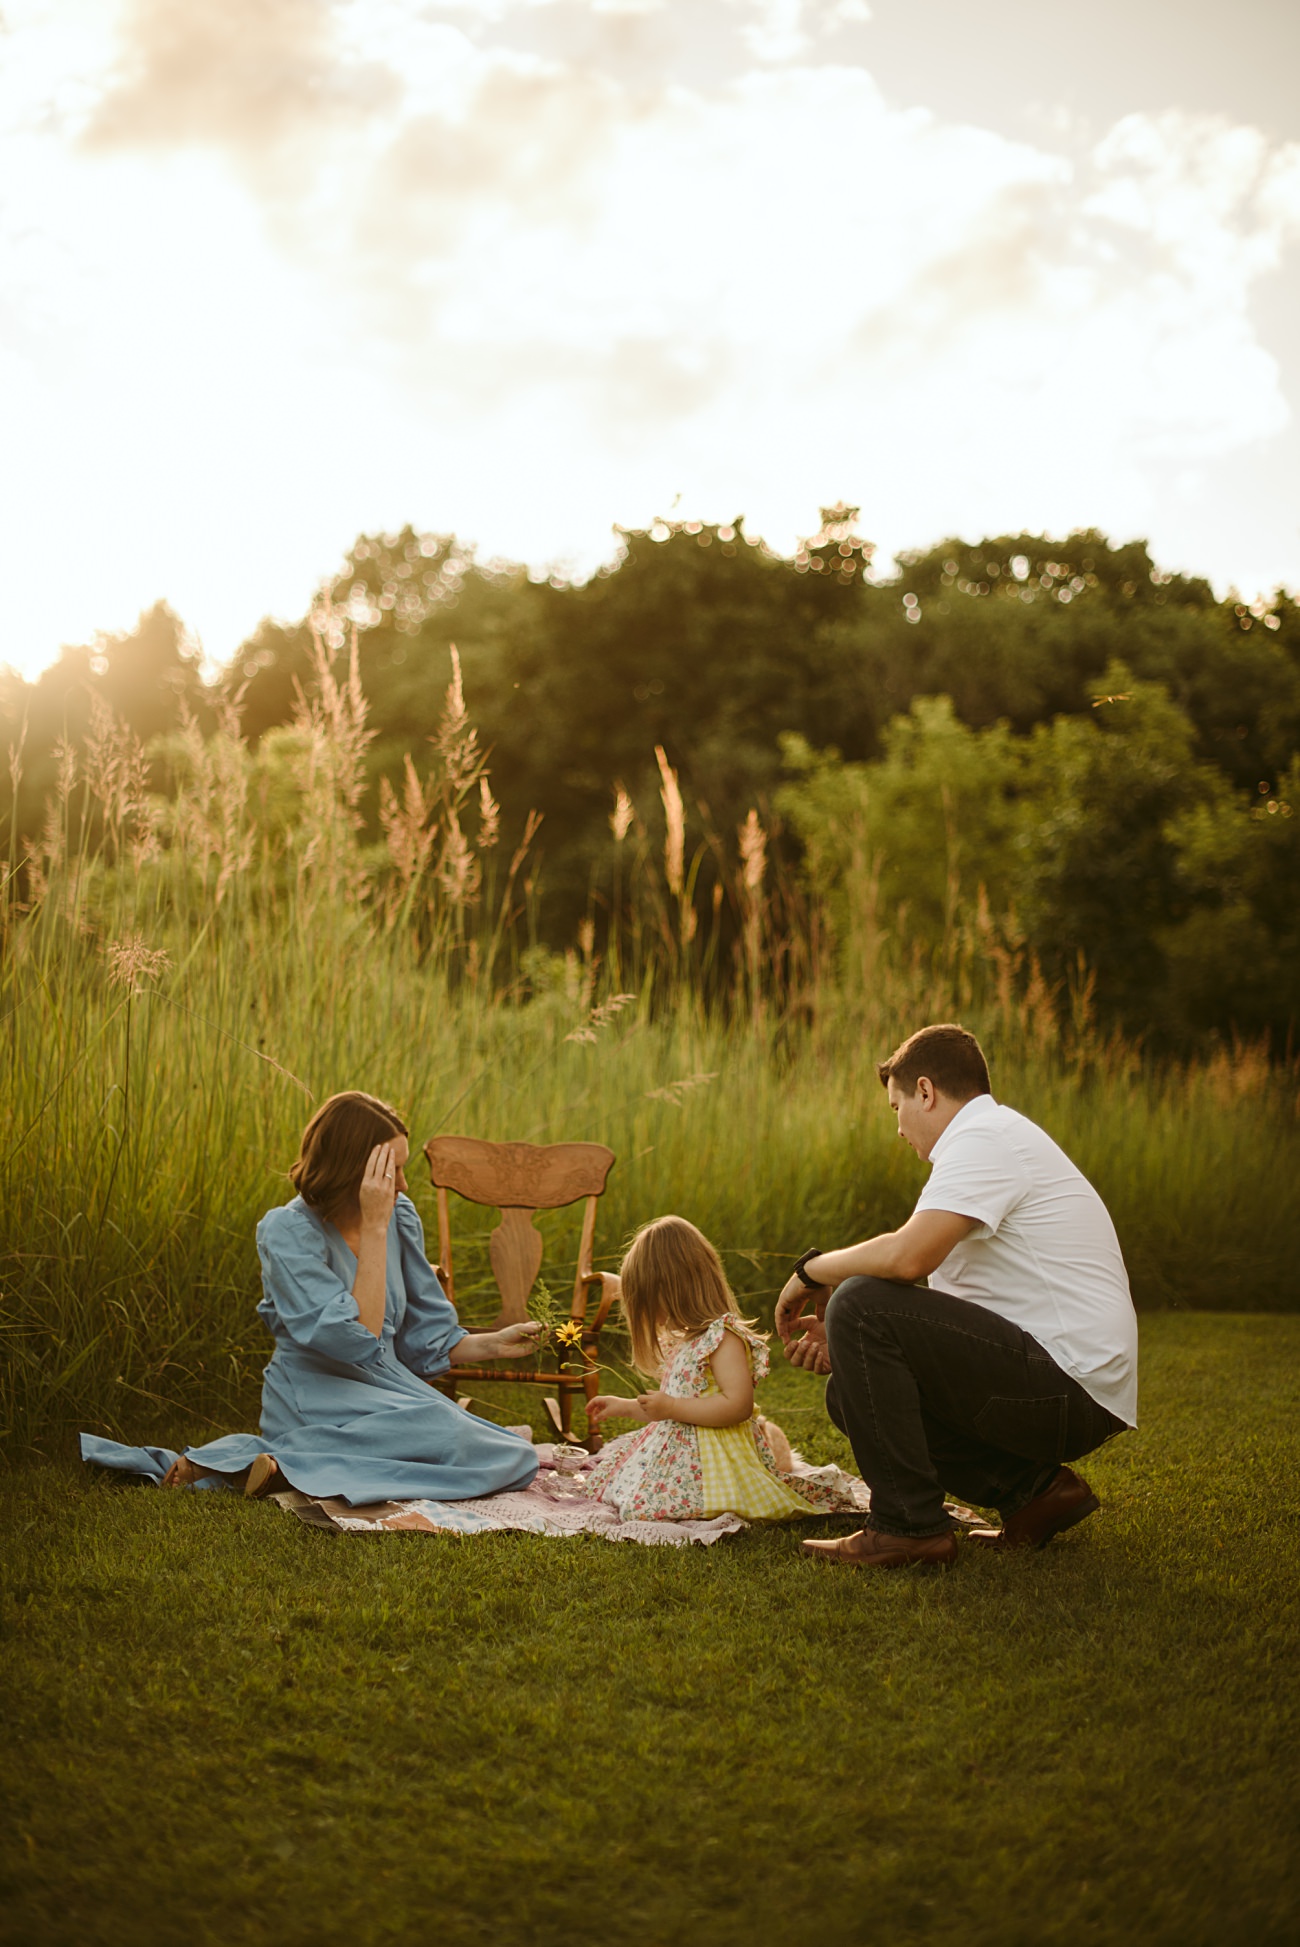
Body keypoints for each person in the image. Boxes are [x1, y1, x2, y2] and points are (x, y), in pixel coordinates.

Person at [776, 1024, 1137, 1570]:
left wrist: (811, 1271)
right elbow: (951, 1305)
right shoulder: (993, 1137)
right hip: (1065, 1378)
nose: (897, 1127)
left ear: (926, 1091)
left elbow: (906, 1258)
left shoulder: (984, 1137)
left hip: (1068, 1380)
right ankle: (1036, 1494)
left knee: (857, 1299)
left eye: (896, 1106)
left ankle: (909, 1530)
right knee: (849, 1391)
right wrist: (854, 1349)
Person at [82, 1092, 542, 1504]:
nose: (402, 1185)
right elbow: (357, 1339)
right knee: (464, 1442)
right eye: (392, 1170)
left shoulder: (400, 1215)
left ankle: (279, 1471)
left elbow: (427, 1339)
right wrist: (376, 1227)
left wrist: (494, 1343)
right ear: (354, 1168)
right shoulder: (287, 1232)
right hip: (316, 1392)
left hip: (387, 1390)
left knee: (513, 1457)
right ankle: (250, 1460)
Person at [584, 1215, 858, 1522]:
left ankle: (701, 1499)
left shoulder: (722, 1338)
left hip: (713, 1461)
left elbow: (737, 1405)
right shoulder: (683, 1341)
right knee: (620, 1487)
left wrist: (672, 1407)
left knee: (643, 1507)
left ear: (675, 1290)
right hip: (678, 1455)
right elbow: (668, 1406)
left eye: (651, 1306)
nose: (652, 1318)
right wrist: (625, 1407)